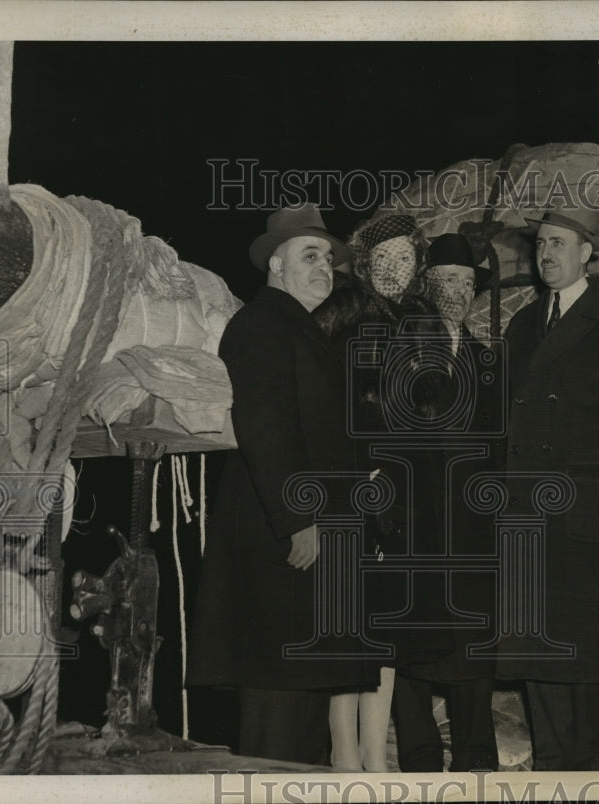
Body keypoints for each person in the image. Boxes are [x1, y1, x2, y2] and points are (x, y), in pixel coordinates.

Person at [186, 203, 376, 765]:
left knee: (302, 698)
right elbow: (265, 426)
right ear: (275, 264)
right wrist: (298, 519)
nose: (324, 268)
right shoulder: (262, 325)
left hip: (307, 536)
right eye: (309, 256)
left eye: (328, 259)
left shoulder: (299, 328)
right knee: (276, 704)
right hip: (284, 536)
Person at [498, 208, 599, 771]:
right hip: (525, 518)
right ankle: (550, 773)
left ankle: (591, 778)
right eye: (541, 243)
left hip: (585, 517)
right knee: (538, 662)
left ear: (587, 252)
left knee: (588, 667)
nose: (547, 254)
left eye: (559, 243)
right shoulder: (520, 327)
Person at [313, 213, 453, 771]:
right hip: (355, 483)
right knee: (349, 625)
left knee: (388, 626)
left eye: (406, 258)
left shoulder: (426, 320)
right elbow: (319, 395)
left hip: (406, 489)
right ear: (367, 263)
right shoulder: (345, 310)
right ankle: (345, 754)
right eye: (385, 258)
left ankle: (375, 756)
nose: (396, 268)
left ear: (418, 265)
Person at [390, 232, 502, 772]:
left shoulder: (485, 358)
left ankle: (478, 764)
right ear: (427, 286)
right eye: (447, 280)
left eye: (467, 282)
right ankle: (418, 765)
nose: (458, 291)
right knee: (412, 648)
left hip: (472, 529)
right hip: (414, 524)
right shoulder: (399, 345)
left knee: (472, 648)